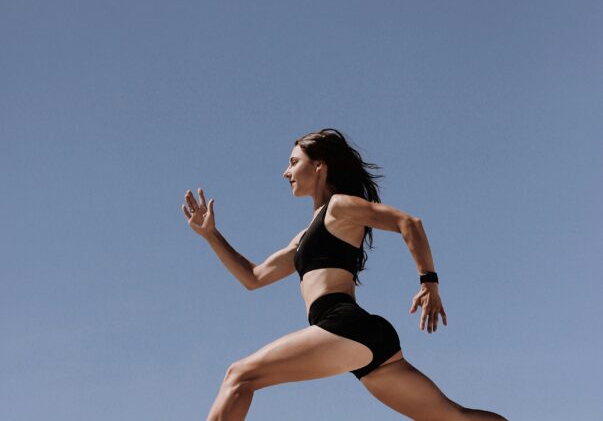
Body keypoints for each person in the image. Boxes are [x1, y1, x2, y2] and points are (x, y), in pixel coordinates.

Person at [182, 129, 506, 420]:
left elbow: (409, 223)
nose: (286, 172)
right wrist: (212, 234)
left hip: (343, 324)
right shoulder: (303, 236)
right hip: (364, 339)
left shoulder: (338, 207)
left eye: (294, 162)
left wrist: (429, 281)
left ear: (319, 166)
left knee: (239, 376)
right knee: (452, 417)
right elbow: (253, 277)